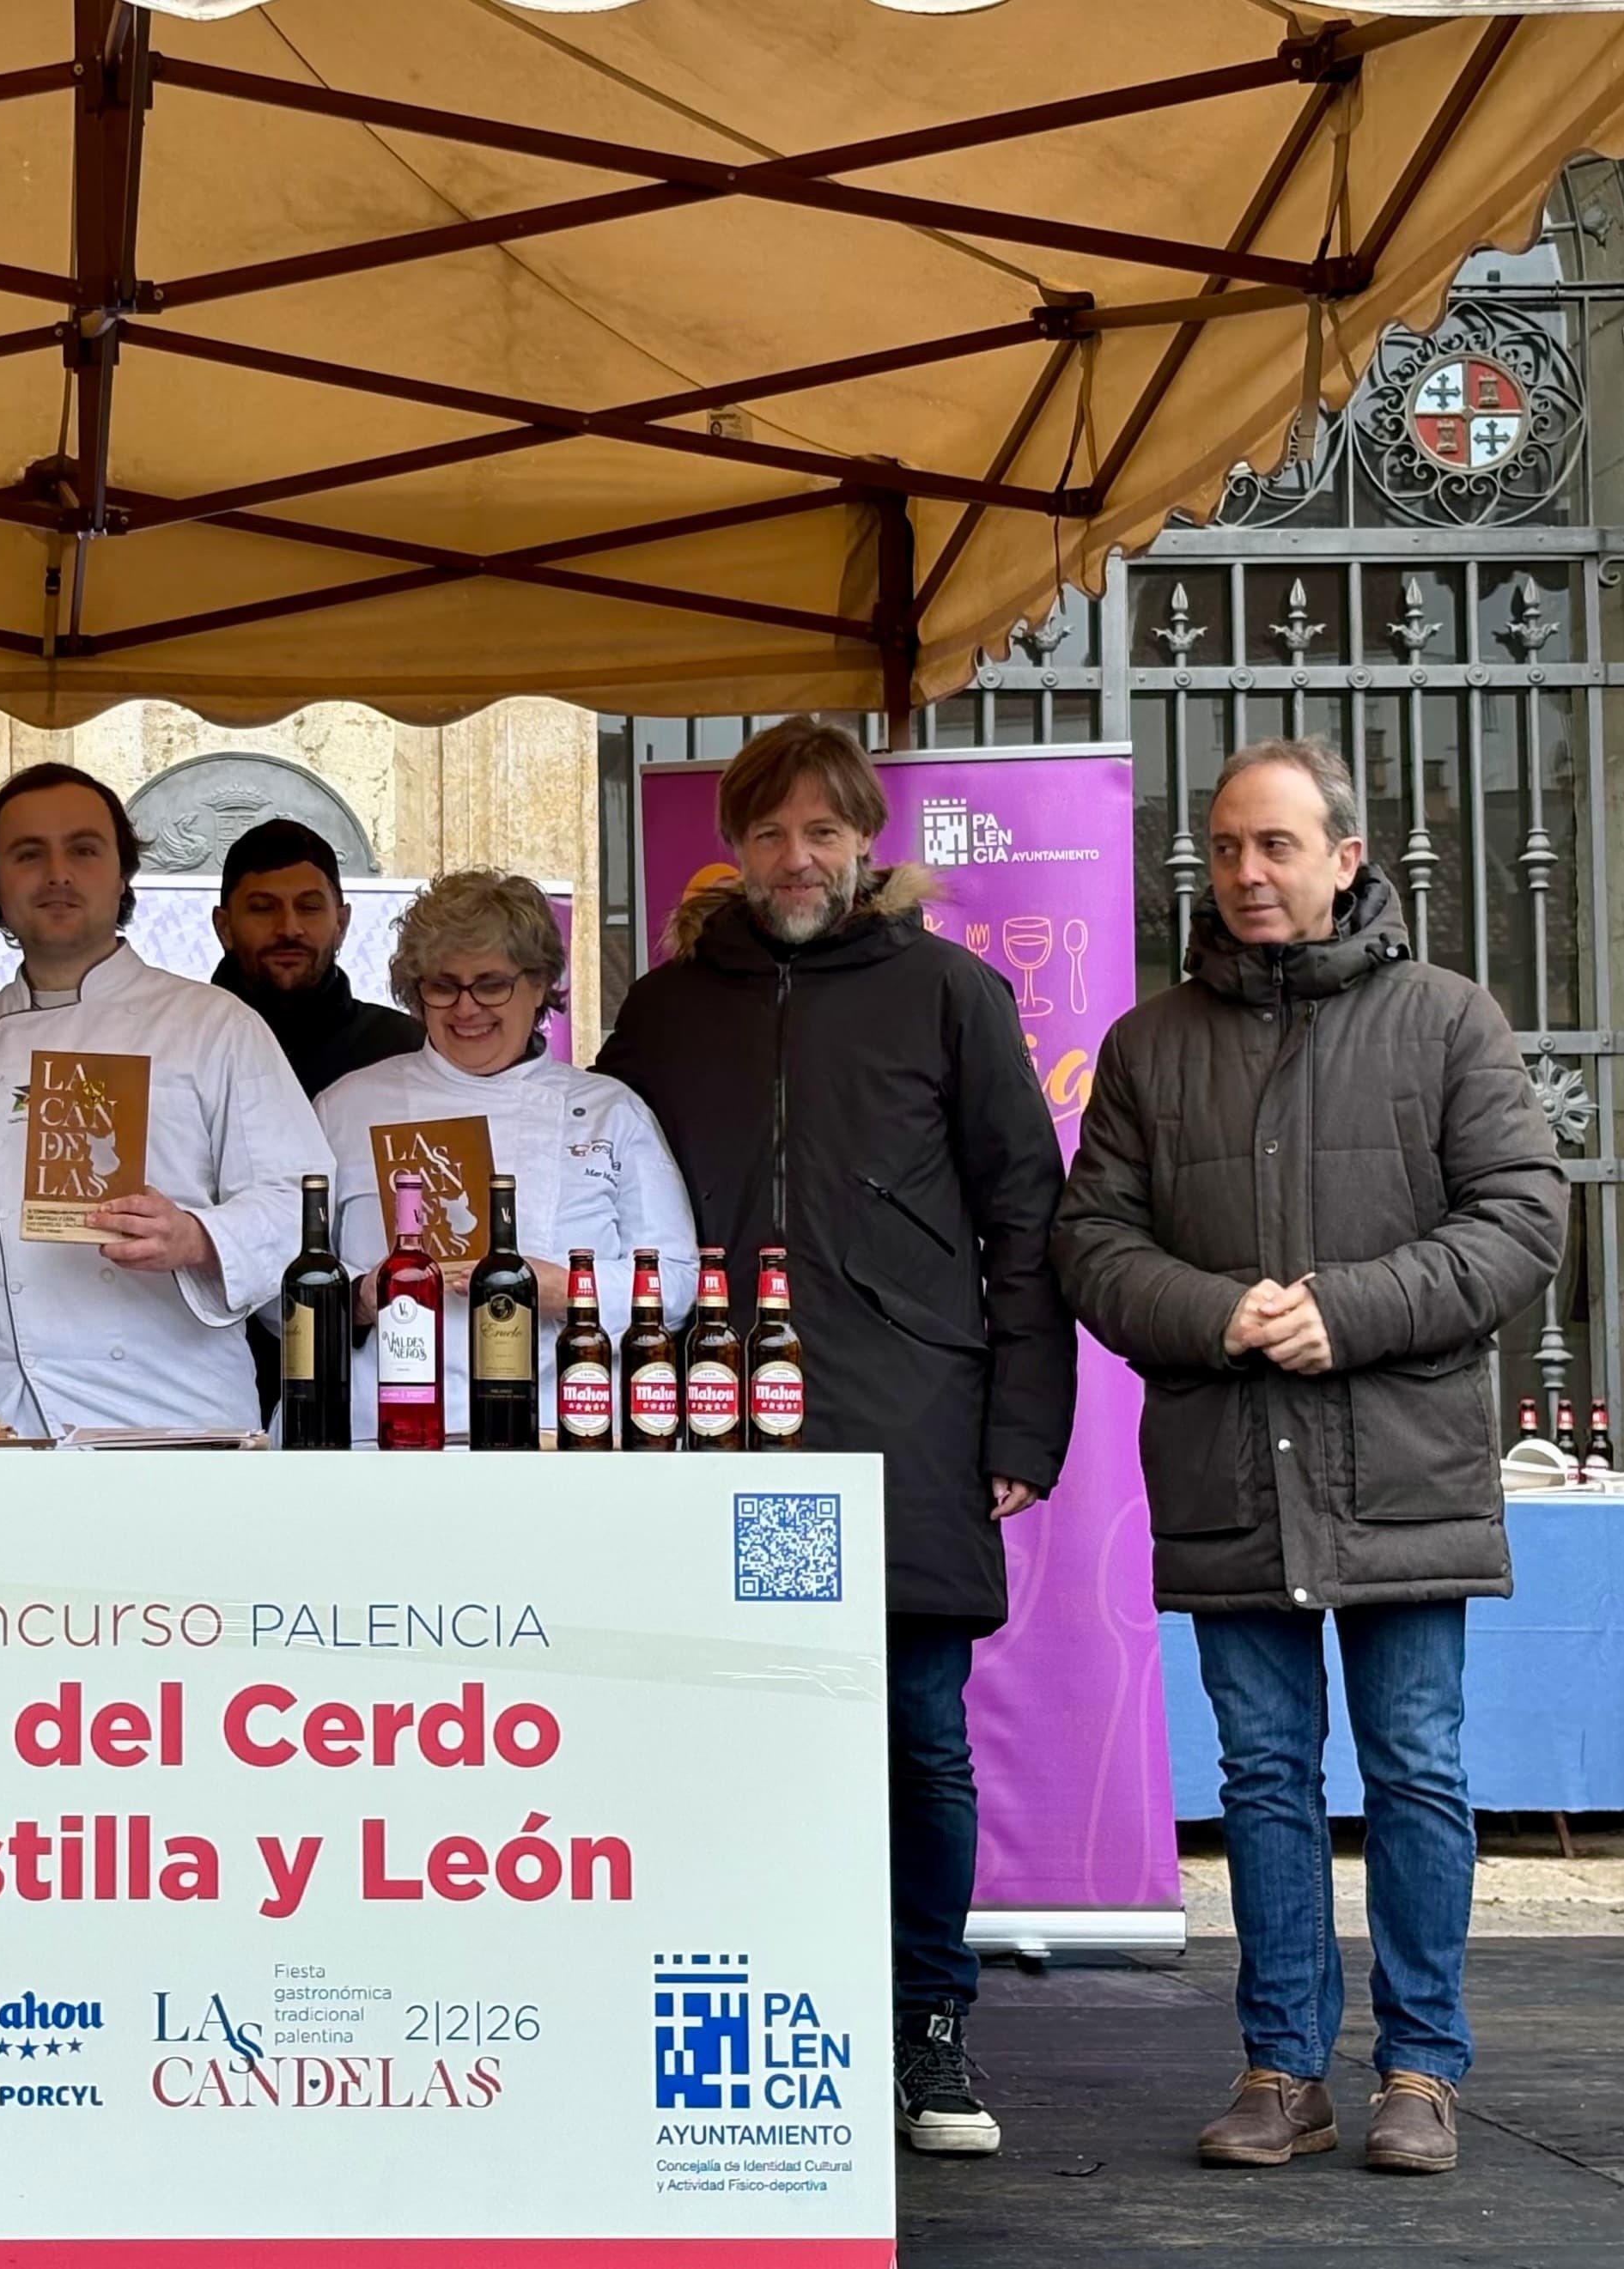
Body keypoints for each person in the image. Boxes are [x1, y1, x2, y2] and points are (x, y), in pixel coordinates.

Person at [1054, 740, 1562, 2178]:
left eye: (1273, 846)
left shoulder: (1447, 1021)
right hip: (1227, 1465)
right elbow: (1089, 1246)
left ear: (1345, 857)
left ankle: (1417, 2071)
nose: (1244, 873)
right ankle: (1280, 2069)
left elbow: (1517, 1223)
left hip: (1400, 1468)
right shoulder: (1150, 1046)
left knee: (1412, 1767)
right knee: (1262, 1775)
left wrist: (1338, 1310)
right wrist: (1216, 1314)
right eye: (1222, 848)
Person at [602, 717, 1074, 2158]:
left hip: (908, 1422)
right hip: (712, 1429)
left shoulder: (947, 992)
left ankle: (927, 2023)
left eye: (819, 830)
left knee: (916, 1739)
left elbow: (1025, 1213)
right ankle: (751, 2005)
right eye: (765, 832)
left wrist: (1019, 1420)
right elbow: (601, 1198)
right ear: (729, 849)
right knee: (723, 1733)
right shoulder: (667, 1009)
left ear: (863, 838)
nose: (792, 857)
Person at [0, 763, 330, 1437]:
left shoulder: (213, 1024)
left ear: (121, 875)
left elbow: (301, 1201)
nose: (58, 873)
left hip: (169, 1413)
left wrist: (198, 1238)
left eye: (84, 850)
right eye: (29, 854)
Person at [318, 871, 696, 1441]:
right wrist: (360, 1298)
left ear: (541, 983)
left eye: (491, 984)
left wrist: (565, 1289)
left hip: (562, 1429)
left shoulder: (609, 1111)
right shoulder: (349, 1106)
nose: (466, 1009)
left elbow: (676, 1283)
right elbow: (279, 1281)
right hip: (384, 1437)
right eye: (443, 985)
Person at [207, 818, 419, 1097]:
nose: (289, 929)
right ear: (224, 928)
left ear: (341, 924)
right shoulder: (178, 1044)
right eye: (262, 909)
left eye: (309, 907)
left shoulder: (403, 1050)